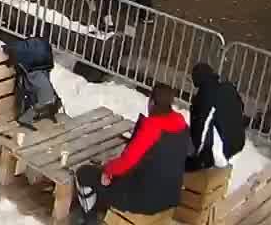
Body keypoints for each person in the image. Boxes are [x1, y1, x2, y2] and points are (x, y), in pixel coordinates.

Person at [75, 83, 191, 225]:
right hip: (170, 194)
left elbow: (126, 163)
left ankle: (89, 220)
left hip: (143, 199)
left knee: (84, 173)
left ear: (152, 102)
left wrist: (107, 170)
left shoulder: (152, 128)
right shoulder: (181, 123)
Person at [186, 62, 245, 170]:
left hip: (219, 152)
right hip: (237, 144)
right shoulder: (228, 88)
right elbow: (241, 108)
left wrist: (197, 159)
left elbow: (202, 126)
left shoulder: (205, 95)